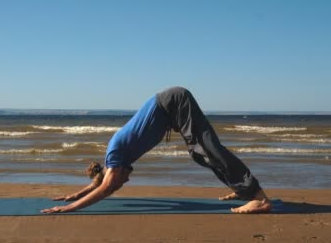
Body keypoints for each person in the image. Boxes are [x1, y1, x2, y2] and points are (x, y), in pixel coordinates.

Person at [42, 87, 272, 214]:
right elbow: (100, 184)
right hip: (170, 109)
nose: (125, 181)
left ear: (113, 171)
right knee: (199, 153)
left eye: (122, 181)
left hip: (173, 102)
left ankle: (258, 197)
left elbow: (105, 188)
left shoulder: (116, 156)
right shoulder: (118, 158)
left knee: (209, 149)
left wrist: (70, 207)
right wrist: (74, 195)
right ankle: (241, 189)